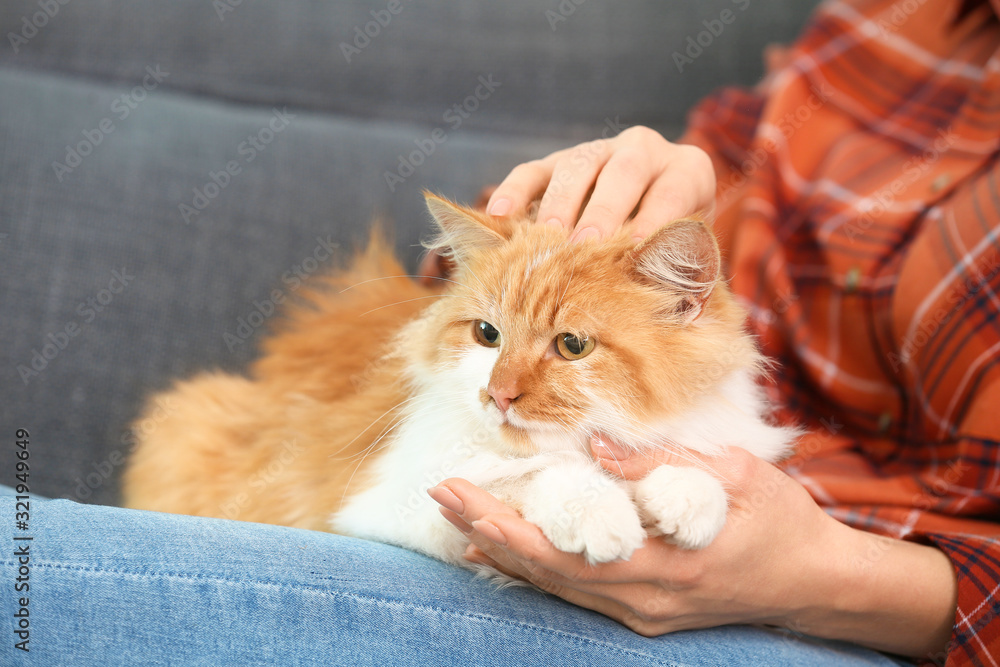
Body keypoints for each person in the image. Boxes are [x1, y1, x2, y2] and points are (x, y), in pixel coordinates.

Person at [3, 0, 997, 666]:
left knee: (28, 577)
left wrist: (824, 578)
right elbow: (723, 181)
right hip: (642, 339)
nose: (507, 389)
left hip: (824, 599)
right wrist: (678, 168)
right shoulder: (904, 16)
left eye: (553, 358)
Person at [424, 0, 1000, 663]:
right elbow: (707, 186)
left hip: (861, 617)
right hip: (648, 459)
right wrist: (581, 204)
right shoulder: (893, 18)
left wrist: (822, 575)